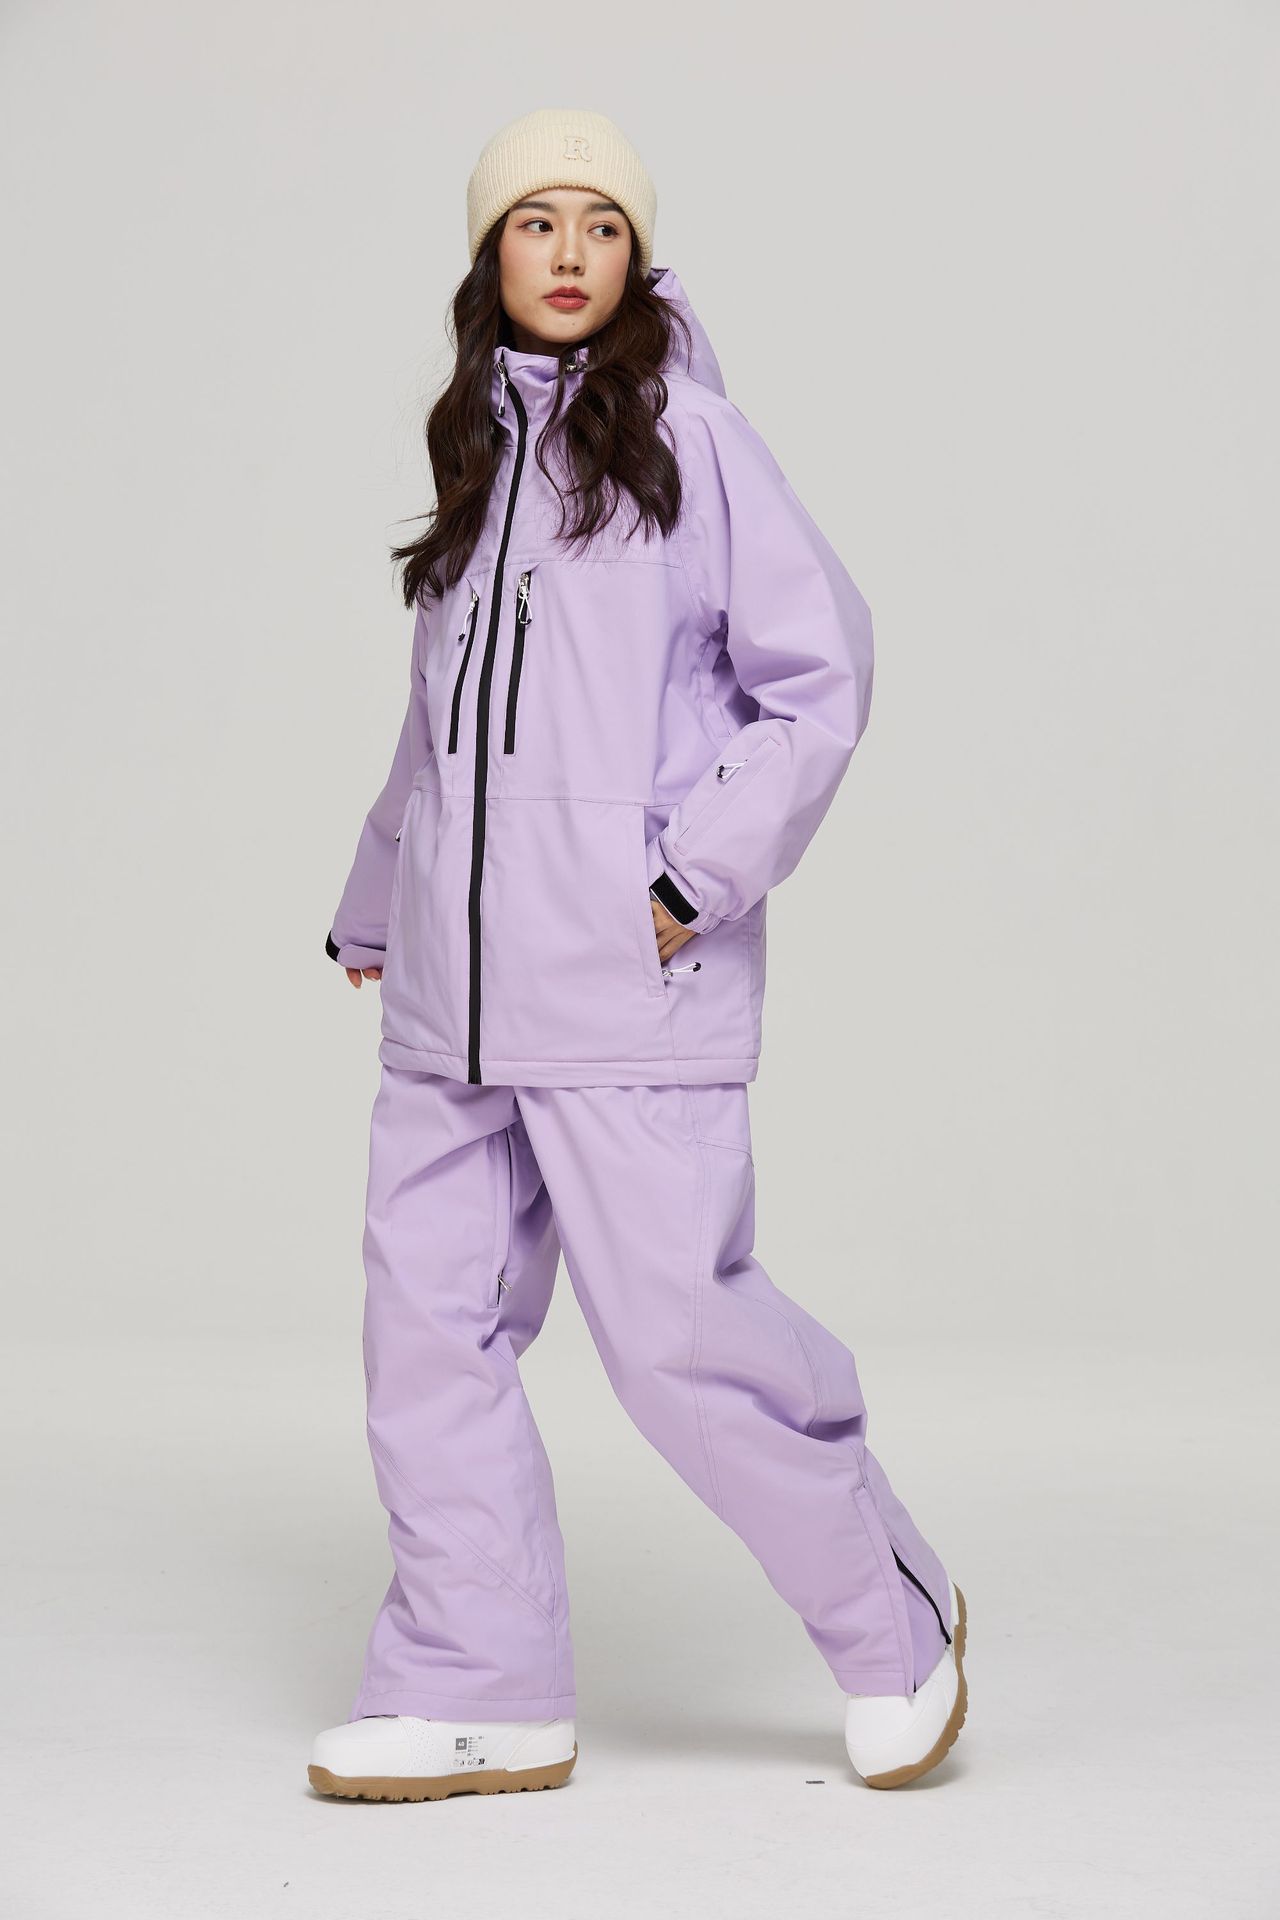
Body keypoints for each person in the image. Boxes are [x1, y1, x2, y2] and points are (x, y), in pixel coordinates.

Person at [308, 106, 968, 1801]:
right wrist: (381, 899)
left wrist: (690, 878)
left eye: (602, 225)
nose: (571, 251)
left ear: (637, 259)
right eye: (538, 221)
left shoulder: (692, 441)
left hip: (623, 987)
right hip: (451, 1012)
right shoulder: (480, 456)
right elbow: (439, 734)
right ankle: (477, 1680)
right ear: (492, 253)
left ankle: (892, 1622)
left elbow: (822, 676)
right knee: (428, 1343)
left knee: (683, 1348)